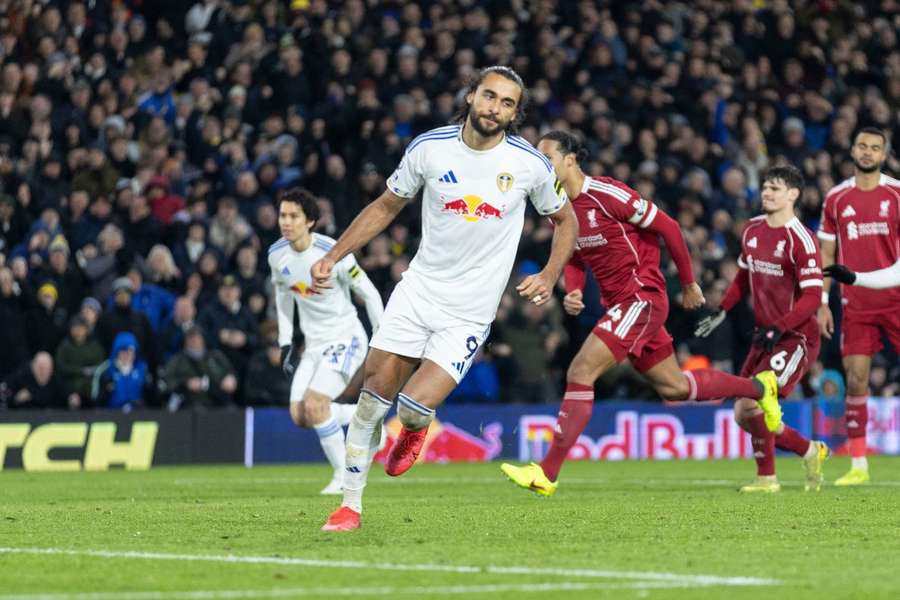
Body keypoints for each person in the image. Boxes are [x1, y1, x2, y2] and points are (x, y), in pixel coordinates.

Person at [314, 65, 578, 531]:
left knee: (415, 407)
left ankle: (414, 430)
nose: (495, 108)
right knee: (373, 400)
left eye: (507, 103)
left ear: (515, 113)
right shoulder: (429, 148)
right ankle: (349, 507)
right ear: (471, 95)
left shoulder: (528, 164)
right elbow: (385, 206)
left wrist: (551, 273)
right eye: (489, 96)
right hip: (417, 293)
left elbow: (567, 220)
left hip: (469, 313)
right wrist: (334, 255)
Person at [500, 131, 782, 496]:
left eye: (547, 156)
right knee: (675, 386)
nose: (541, 164)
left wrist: (690, 282)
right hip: (621, 305)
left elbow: (669, 227)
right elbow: (575, 256)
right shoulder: (559, 211)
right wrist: (572, 288)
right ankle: (760, 387)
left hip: (642, 297)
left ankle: (547, 473)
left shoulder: (606, 194)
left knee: (580, 370)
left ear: (570, 159)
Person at [695, 165, 830, 492]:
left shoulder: (802, 239)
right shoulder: (753, 229)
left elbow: (812, 298)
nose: (767, 193)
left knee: (756, 397)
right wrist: (722, 309)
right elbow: (744, 276)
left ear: (793, 195)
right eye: (766, 187)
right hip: (765, 336)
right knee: (743, 413)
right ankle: (810, 450)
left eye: (775, 188)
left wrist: (779, 327)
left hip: (795, 337)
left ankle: (767, 479)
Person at [269, 187, 384, 495]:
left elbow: (369, 294)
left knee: (316, 404)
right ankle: (368, 420)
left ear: (310, 221)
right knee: (300, 414)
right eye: (283, 215)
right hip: (314, 344)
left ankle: (344, 478)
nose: (286, 222)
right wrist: (285, 341)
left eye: (294, 216)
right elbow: (282, 295)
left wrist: (381, 339)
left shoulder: (333, 252)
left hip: (346, 338)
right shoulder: (276, 255)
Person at [816, 127, 900, 486]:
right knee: (856, 379)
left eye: (875, 148)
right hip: (856, 304)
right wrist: (822, 302)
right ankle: (859, 466)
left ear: (884, 154)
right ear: (852, 150)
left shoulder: (897, 194)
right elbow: (827, 254)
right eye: (862, 146)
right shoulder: (836, 198)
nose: (867, 152)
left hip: (897, 298)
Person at [91, 331, 148, 411]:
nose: (127, 355)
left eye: (130, 351)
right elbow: (96, 400)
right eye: (123, 351)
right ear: (117, 352)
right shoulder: (106, 371)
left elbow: (150, 398)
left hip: (138, 416)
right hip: (112, 416)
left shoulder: (142, 370)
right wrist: (106, 391)